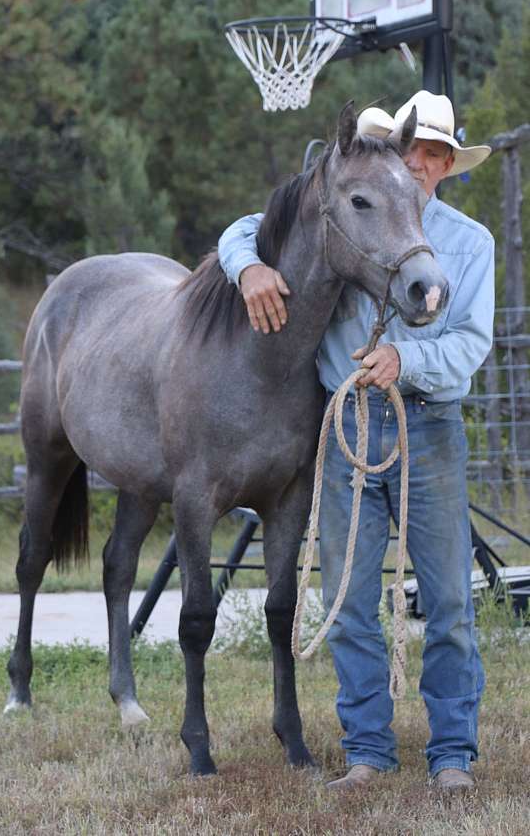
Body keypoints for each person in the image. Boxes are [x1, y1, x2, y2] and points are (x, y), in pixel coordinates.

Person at [217, 91, 494, 792]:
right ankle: (368, 749)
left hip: (426, 425)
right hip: (346, 427)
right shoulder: (348, 211)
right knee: (346, 598)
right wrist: (247, 267)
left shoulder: (471, 243)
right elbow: (248, 227)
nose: (425, 165)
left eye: (438, 155)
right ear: (395, 157)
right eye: (415, 152)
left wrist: (409, 362)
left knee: (449, 601)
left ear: (450, 166)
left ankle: (453, 753)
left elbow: (471, 343)